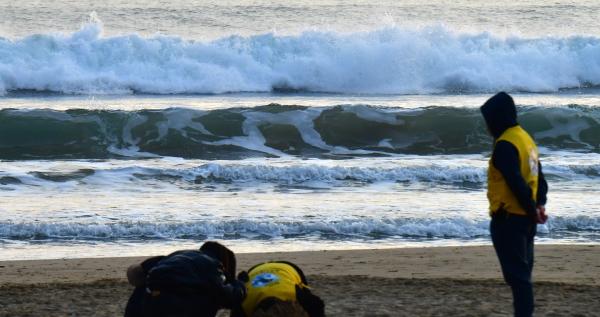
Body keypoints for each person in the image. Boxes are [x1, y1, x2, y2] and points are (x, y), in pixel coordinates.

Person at [480, 92, 548, 317]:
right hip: (527, 220)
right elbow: (540, 178)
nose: (487, 128)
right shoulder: (525, 139)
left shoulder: (504, 145)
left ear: (496, 119)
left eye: (488, 121)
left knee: (518, 279)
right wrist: (538, 206)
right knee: (522, 275)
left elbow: (517, 183)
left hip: (509, 219)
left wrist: (532, 209)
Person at [124, 241, 246, 317]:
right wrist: (239, 282)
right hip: (181, 307)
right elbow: (229, 297)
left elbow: (139, 271)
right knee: (211, 294)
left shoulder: (178, 255)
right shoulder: (212, 265)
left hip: (149, 301)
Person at [231, 261, 325, 317]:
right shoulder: (242, 306)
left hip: (284, 268)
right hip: (270, 269)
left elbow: (318, 305)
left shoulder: (294, 293)